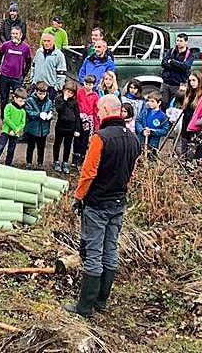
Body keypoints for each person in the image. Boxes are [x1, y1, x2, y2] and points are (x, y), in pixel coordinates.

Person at [66, 94, 141, 316]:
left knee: (93, 252)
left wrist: (79, 197)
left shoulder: (101, 137)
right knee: (111, 250)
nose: (97, 114)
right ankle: (101, 301)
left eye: (99, 110)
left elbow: (88, 173)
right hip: (118, 202)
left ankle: (85, 306)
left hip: (98, 203)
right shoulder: (133, 138)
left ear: (108, 110)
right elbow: (131, 174)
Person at [0, 26, 32, 108]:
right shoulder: (6, 45)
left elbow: (28, 62)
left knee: (18, 99)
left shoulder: (26, 47)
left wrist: (23, 75)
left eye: (16, 33)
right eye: (13, 33)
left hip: (17, 78)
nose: (14, 35)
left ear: (21, 35)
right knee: (4, 99)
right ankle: (3, 117)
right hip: (4, 76)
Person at [52, 80, 82, 173]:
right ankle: (56, 161)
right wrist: (64, 100)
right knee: (57, 143)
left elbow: (77, 116)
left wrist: (77, 129)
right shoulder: (59, 99)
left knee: (68, 145)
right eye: (68, 91)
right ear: (64, 90)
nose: (69, 94)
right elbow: (59, 110)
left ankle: (65, 162)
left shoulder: (74, 102)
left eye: (71, 92)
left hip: (71, 127)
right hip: (61, 126)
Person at [159, 33, 196, 110]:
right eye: (177, 40)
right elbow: (163, 63)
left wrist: (172, 62)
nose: (178, 42)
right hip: (166, 83)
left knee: (175, 105)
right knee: (163, 104)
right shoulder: (171, 51)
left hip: (177, 85)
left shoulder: (189, 55)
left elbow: (185, 67)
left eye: (181, 41)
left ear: (186, 42)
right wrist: (178, 66)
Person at [175, 72, 202, 159]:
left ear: (199, 80)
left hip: (196, 127)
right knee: (184, 147)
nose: (192, 82)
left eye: (194, 80)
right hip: (186, 124)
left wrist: (197, 123)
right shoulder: (189, 93)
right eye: (190, 81)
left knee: (192, 151)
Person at [0, 87, 27, 165]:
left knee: (11, 149)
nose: (22, 103)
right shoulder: (9, 106)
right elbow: (6, 118)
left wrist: (16, 130)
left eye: (24, 101)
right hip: (6, 131)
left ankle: (8, 163)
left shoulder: (23, 111)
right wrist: (14, 128)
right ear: (14, 98)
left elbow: (23, 123)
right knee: (0, 147)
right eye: (20, 101)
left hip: (15, 133)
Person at [30, 31, 68, 101]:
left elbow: (62, 74)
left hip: (49, 88)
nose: (46, 43)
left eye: (48, 41)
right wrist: (32, 80)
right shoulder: (39, 52)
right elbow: (33, 66)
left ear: (53, 41)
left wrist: (56, 88)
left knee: (46, 110)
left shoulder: (59, 55)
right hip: (36, 86)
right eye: (44, 41)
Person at [23, 82, 53, 168]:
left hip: (43, 130)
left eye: (44, 94)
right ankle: (28, 162)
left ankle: (40, 163)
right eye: (40, 93)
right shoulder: (30, 101)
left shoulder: (49, 101)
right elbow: (29, 112)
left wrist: (49, 115)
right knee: (30, 147)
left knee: (41, 147)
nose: (42, 96)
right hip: (32, 129)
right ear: (36, 91)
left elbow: (51, 109)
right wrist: (39, 114)